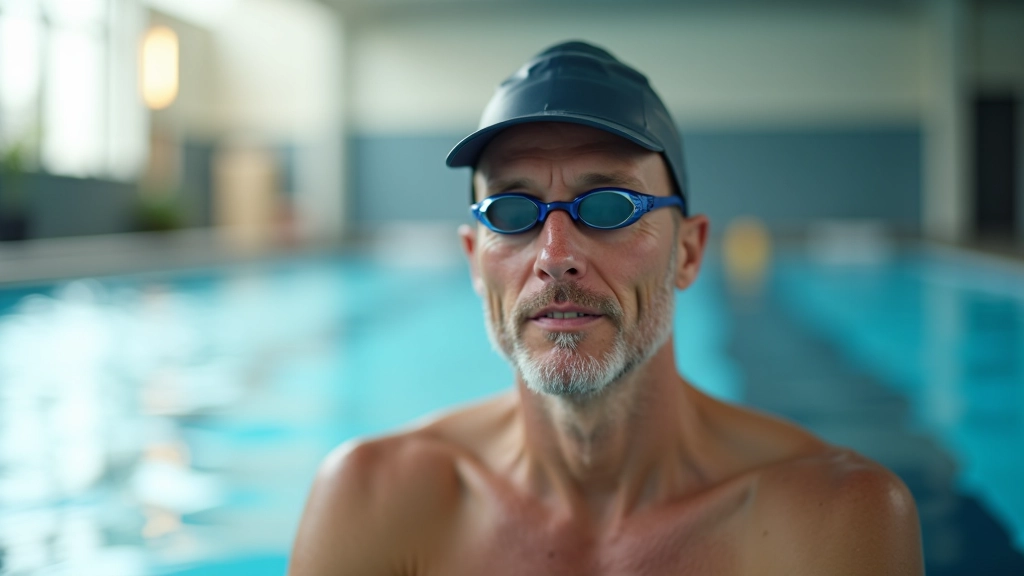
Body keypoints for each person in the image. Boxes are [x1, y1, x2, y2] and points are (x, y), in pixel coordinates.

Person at [288, 41, 923, 575]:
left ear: (688, 252)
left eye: (610, 206)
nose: (555, 255)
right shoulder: (373, 501)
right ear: (474, 261)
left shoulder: (830, 520)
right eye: (511, 211)